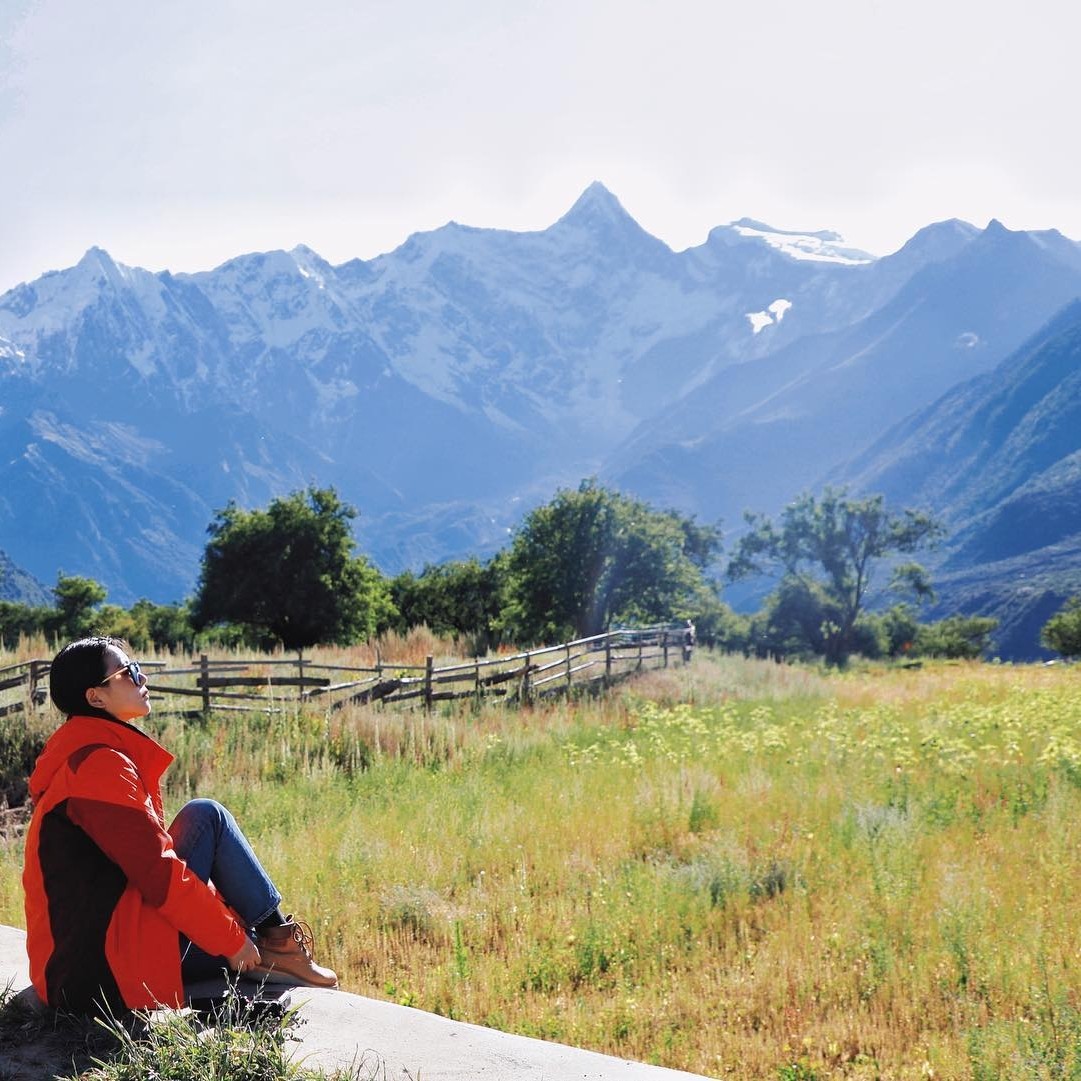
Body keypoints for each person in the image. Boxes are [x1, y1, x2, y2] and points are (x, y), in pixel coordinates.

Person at [22, 636, 337, 1014]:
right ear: (95, 698)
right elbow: (158, 872)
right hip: (101, 975)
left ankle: (271, 945)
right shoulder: (98, 768)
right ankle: (277, 946)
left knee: (202, 820)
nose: (142, 678)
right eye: (129, 672)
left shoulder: (89, 756)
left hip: (87, 959)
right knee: (209, 818)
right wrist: (232, 940)